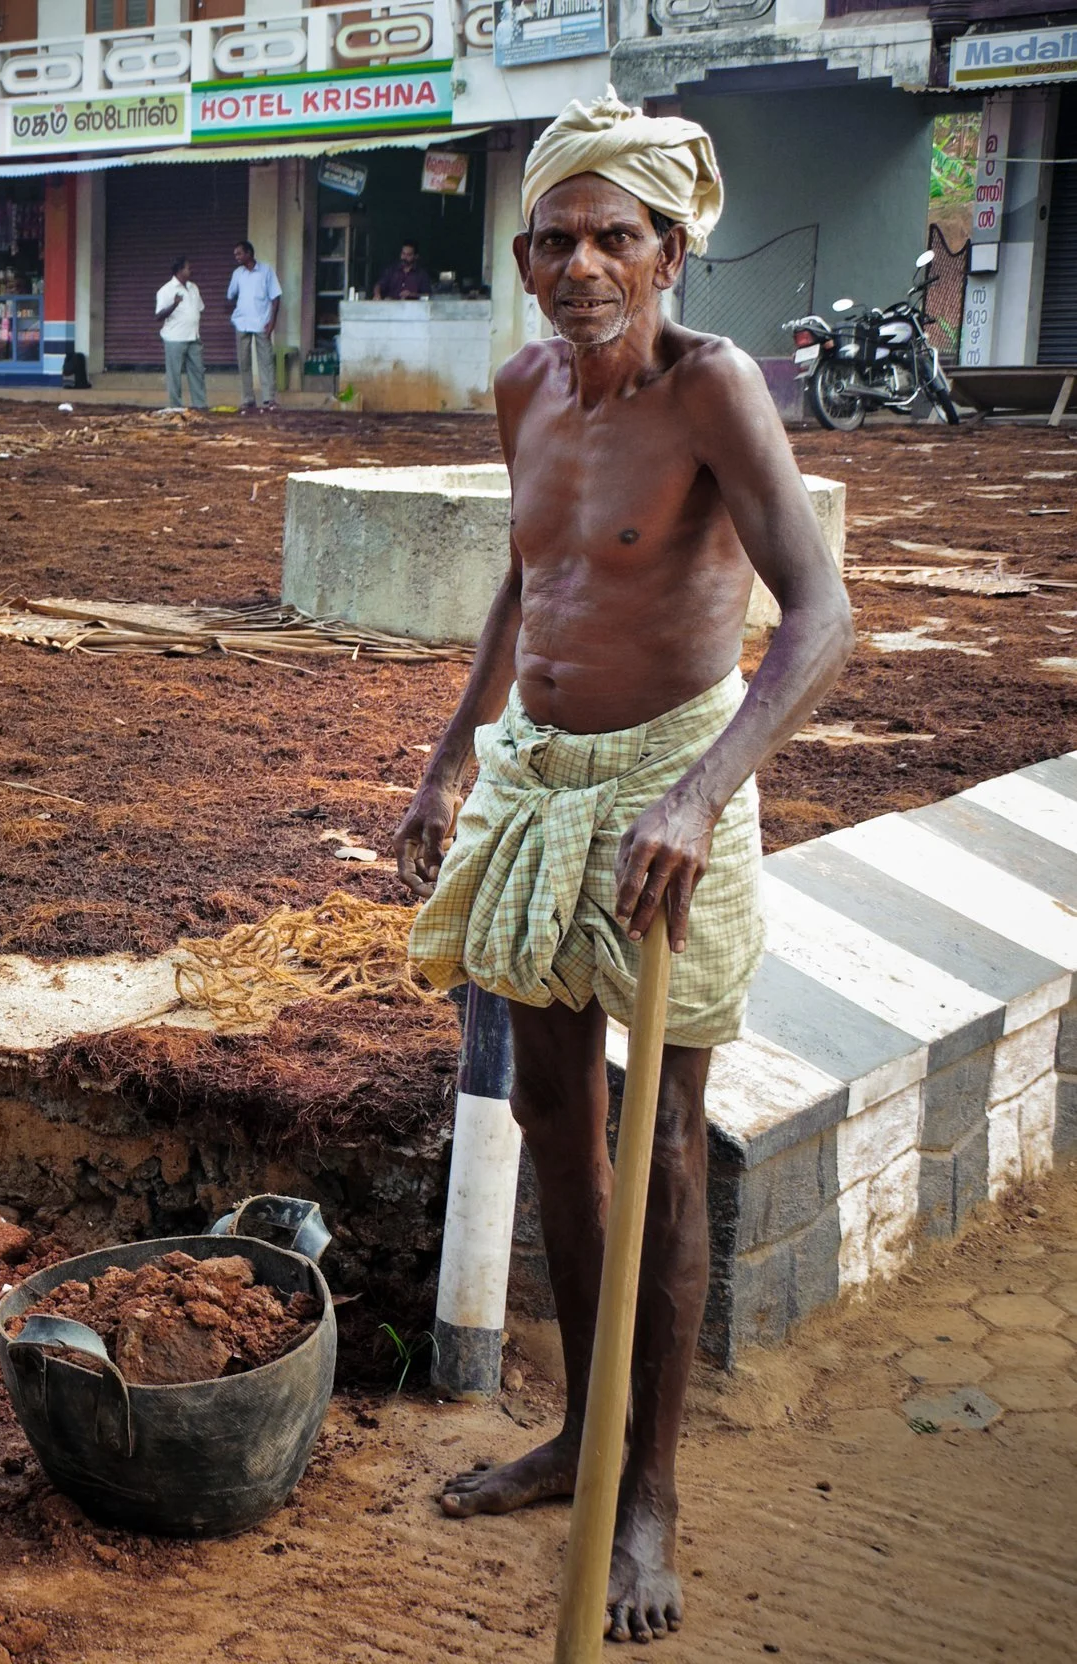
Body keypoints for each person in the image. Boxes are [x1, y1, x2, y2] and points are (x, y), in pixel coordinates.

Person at [392, 94, 850, 1645]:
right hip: (541, 776)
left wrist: (707, 796)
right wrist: (453, 747)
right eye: (556, 239)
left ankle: (649, 1488)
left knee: (664, 1143)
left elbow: (822, 615)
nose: (583, 264)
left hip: (672, 787)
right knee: (552, 1122)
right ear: (525, 257)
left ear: (668, 250)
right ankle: (581, 1439)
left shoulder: (714, 388)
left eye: (616, 237)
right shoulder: (523, 387)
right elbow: (531, 579)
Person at [225, 240, 282, 411]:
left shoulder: (266, 271)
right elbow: (230, 295)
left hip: (261, 322)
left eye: (239, 254)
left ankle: (269, 399)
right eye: (235, 254)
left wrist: (272, 322)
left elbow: (276, 298)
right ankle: (248, 398)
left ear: (249, 253)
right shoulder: (237, 273)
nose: (237, 257)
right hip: (242, 322)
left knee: (266, 361)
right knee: (244, 362)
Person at [154, 254, 207, 412]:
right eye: (188, 267)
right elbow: (158, 316)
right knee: (174, 375)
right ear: (179, 270)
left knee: (198, 372)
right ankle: (176, 407)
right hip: (175, 339)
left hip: (193, 336)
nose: (191, 270)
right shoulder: (166, 290)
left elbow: (199, 309)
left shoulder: (193, 287)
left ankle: (200, 405)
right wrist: (174, 305)